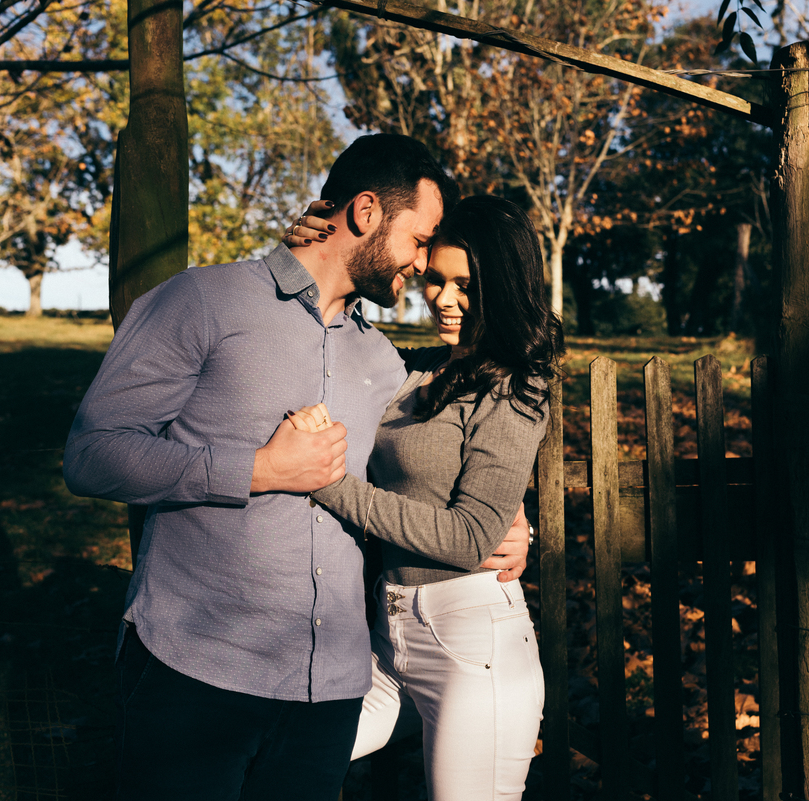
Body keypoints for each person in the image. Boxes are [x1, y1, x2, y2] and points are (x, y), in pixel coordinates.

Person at [62, 134, 529, 801]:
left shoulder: (385, 364)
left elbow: (446, 448)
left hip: (329, 691)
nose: (425, 266)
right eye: (421, 239)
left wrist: (510, 520)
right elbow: (92, 452)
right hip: (196, 669)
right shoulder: (202, 301)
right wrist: (255, 468)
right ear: (365, 213)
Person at [284, 195, 564, 800]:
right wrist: (309, 255)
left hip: (473, 653)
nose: (443, 298)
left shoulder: (517, 385)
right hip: (386, 642)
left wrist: (328, 484)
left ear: (504, 286)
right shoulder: (413, 368)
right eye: (435, 279)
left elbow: (469, 539)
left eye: (465, 284)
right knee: (283, 765)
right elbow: (331, 339)